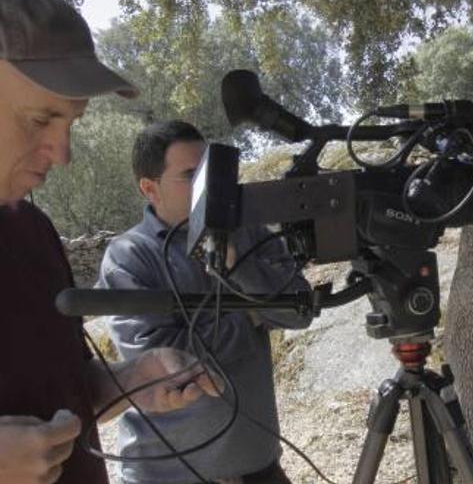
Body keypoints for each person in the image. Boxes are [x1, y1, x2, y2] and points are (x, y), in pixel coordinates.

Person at [0, 0, 223, 484]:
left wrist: (131, 382)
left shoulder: (33, 232)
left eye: (71, 123)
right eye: (40, 119)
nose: (62, 154)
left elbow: (65, 395)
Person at [96, 120, 313, 484]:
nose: (208, 186)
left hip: (259, 466)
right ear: (150, 189)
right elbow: (162, 366)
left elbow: (299, 311)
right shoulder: (129, 257)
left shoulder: (248, 233)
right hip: (169, 476)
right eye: (189, 175)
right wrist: (252, 317)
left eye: (209, 172)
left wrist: (236, 268)